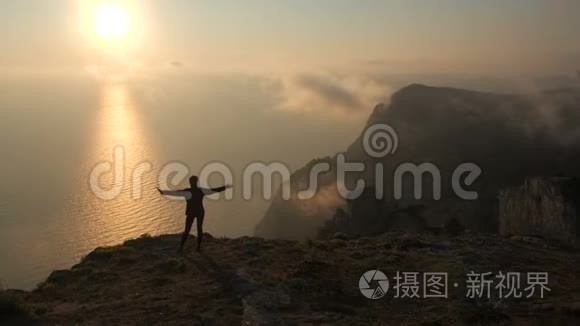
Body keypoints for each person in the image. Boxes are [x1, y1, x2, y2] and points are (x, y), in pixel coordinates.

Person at [157, 176, 231, 253]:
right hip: (199, 212)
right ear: (196, 182)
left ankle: (182, 247)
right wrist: (225, 187)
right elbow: (213, 190)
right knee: (199, 229)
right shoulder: (200, 191)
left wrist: (163, 192)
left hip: (191, 212)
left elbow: (175, 193)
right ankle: (197, 247)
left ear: (190, 182)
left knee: (187, 230)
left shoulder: (187, 192)